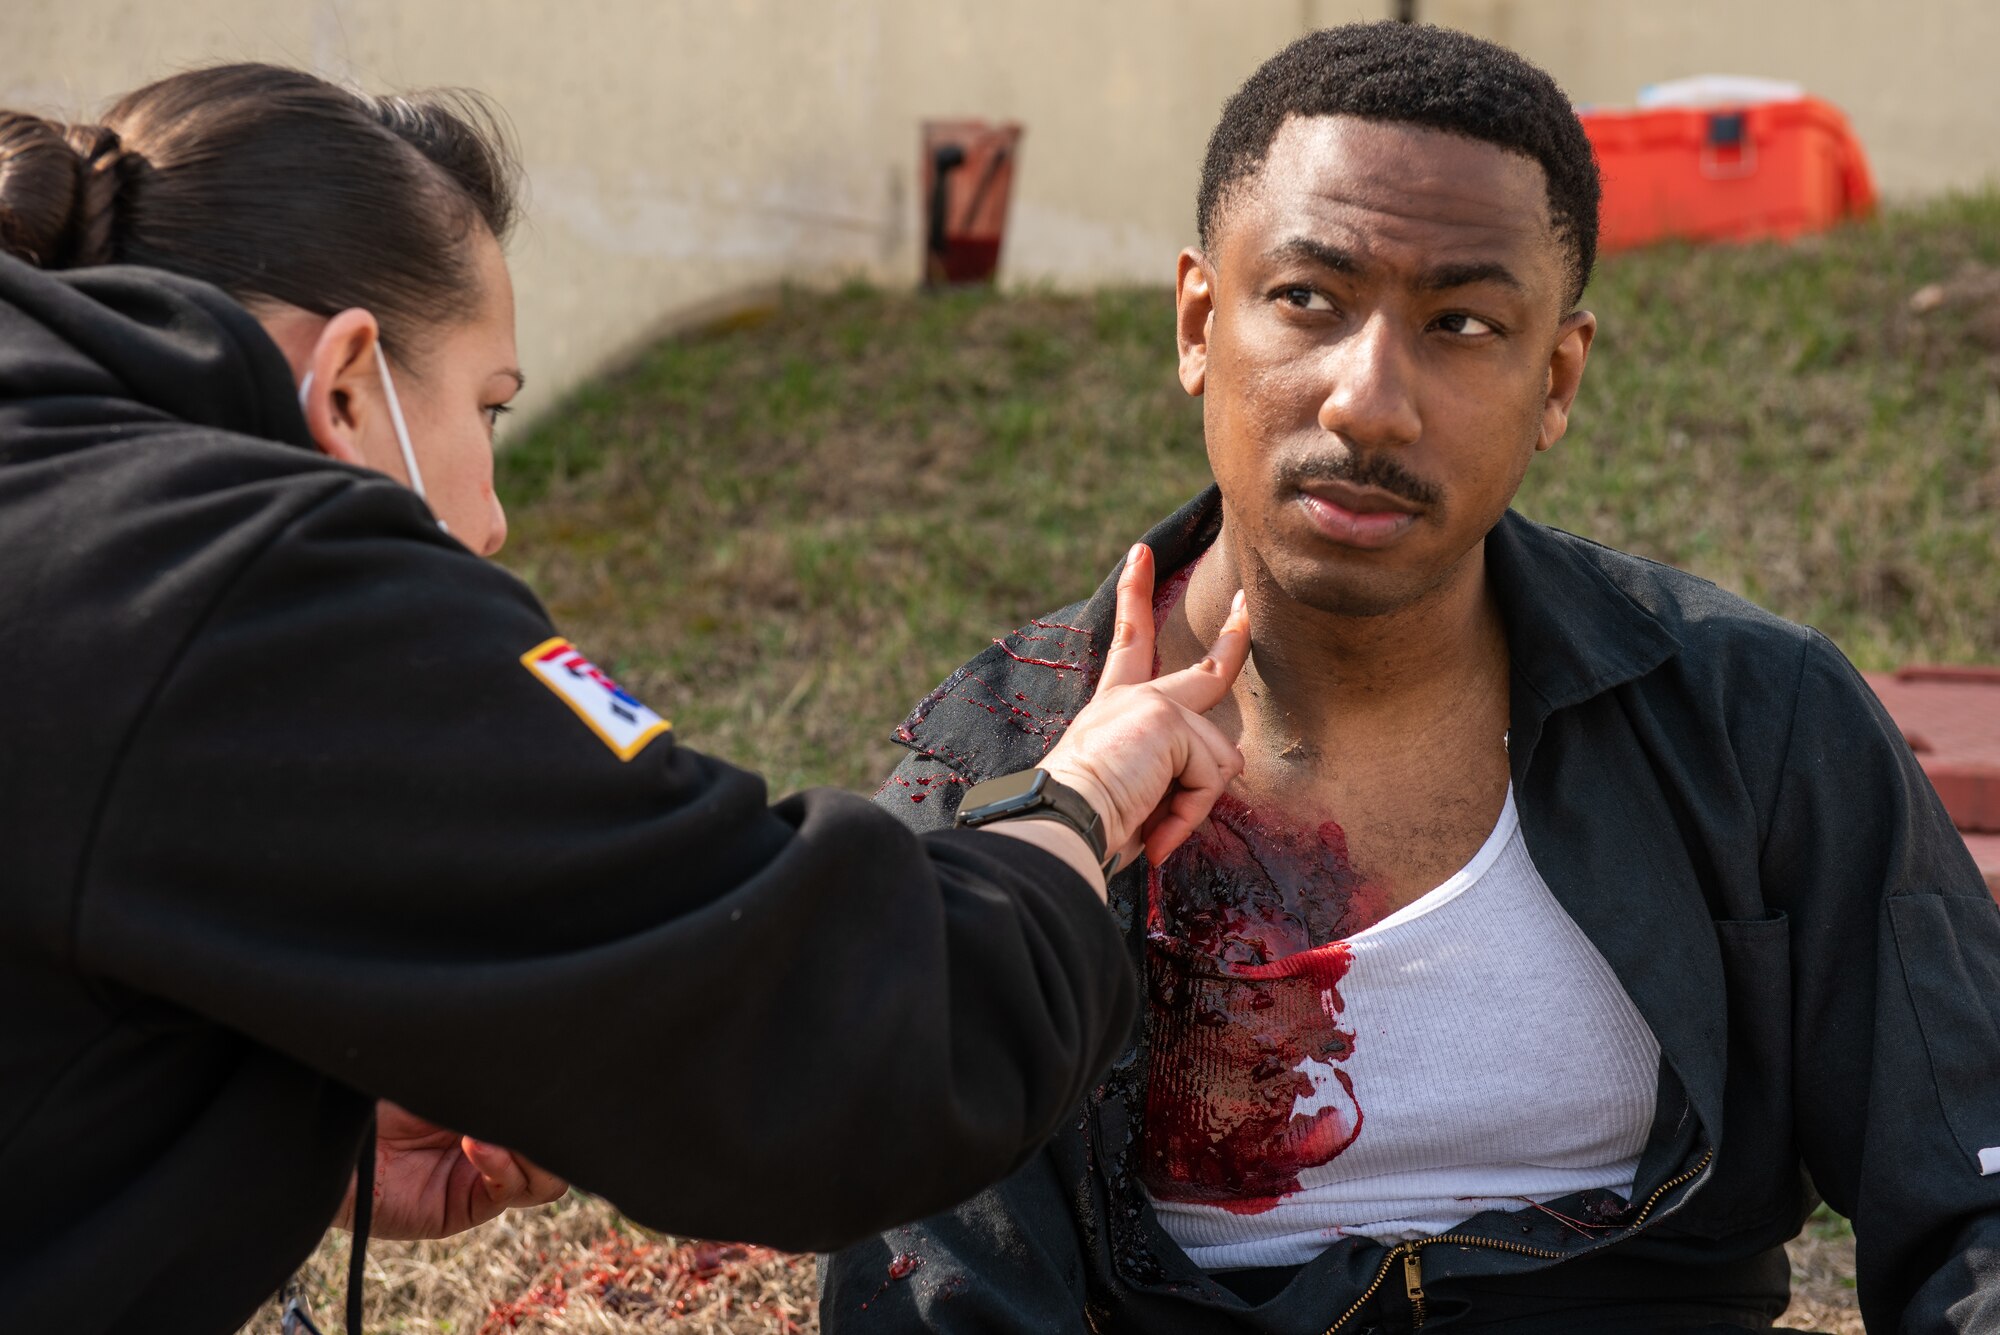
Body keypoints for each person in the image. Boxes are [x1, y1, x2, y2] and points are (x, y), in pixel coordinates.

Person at [0, 64, 1257, 1335]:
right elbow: (832, 1045)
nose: (488, 520)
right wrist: (1074, 805)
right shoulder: (247, 587)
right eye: (487, 410)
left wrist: (240, 1122)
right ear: (342, 386)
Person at [821, 23, 2000, 1335]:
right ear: (1200, 321)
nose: (1370, 400)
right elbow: (939, 1290)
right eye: (1310, 299)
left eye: (1463, 322)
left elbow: (1974, 1185)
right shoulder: (998, 765)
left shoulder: (1748, 720)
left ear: (1555, 378)